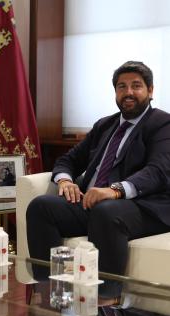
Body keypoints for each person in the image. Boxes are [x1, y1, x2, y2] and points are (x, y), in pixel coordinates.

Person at [27, 61, 170, 277]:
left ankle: (107, 298)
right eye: (122, 87)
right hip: (93, 202)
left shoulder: (162, 123)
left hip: (141, 205)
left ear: (150, 90)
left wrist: (114, 191)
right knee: (41, 206)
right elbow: (69, 159)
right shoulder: (105, 125)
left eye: (136, 86)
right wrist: (65, 181)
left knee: (106, 211)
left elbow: (158, 171)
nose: (128, 92)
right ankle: (47, 291)